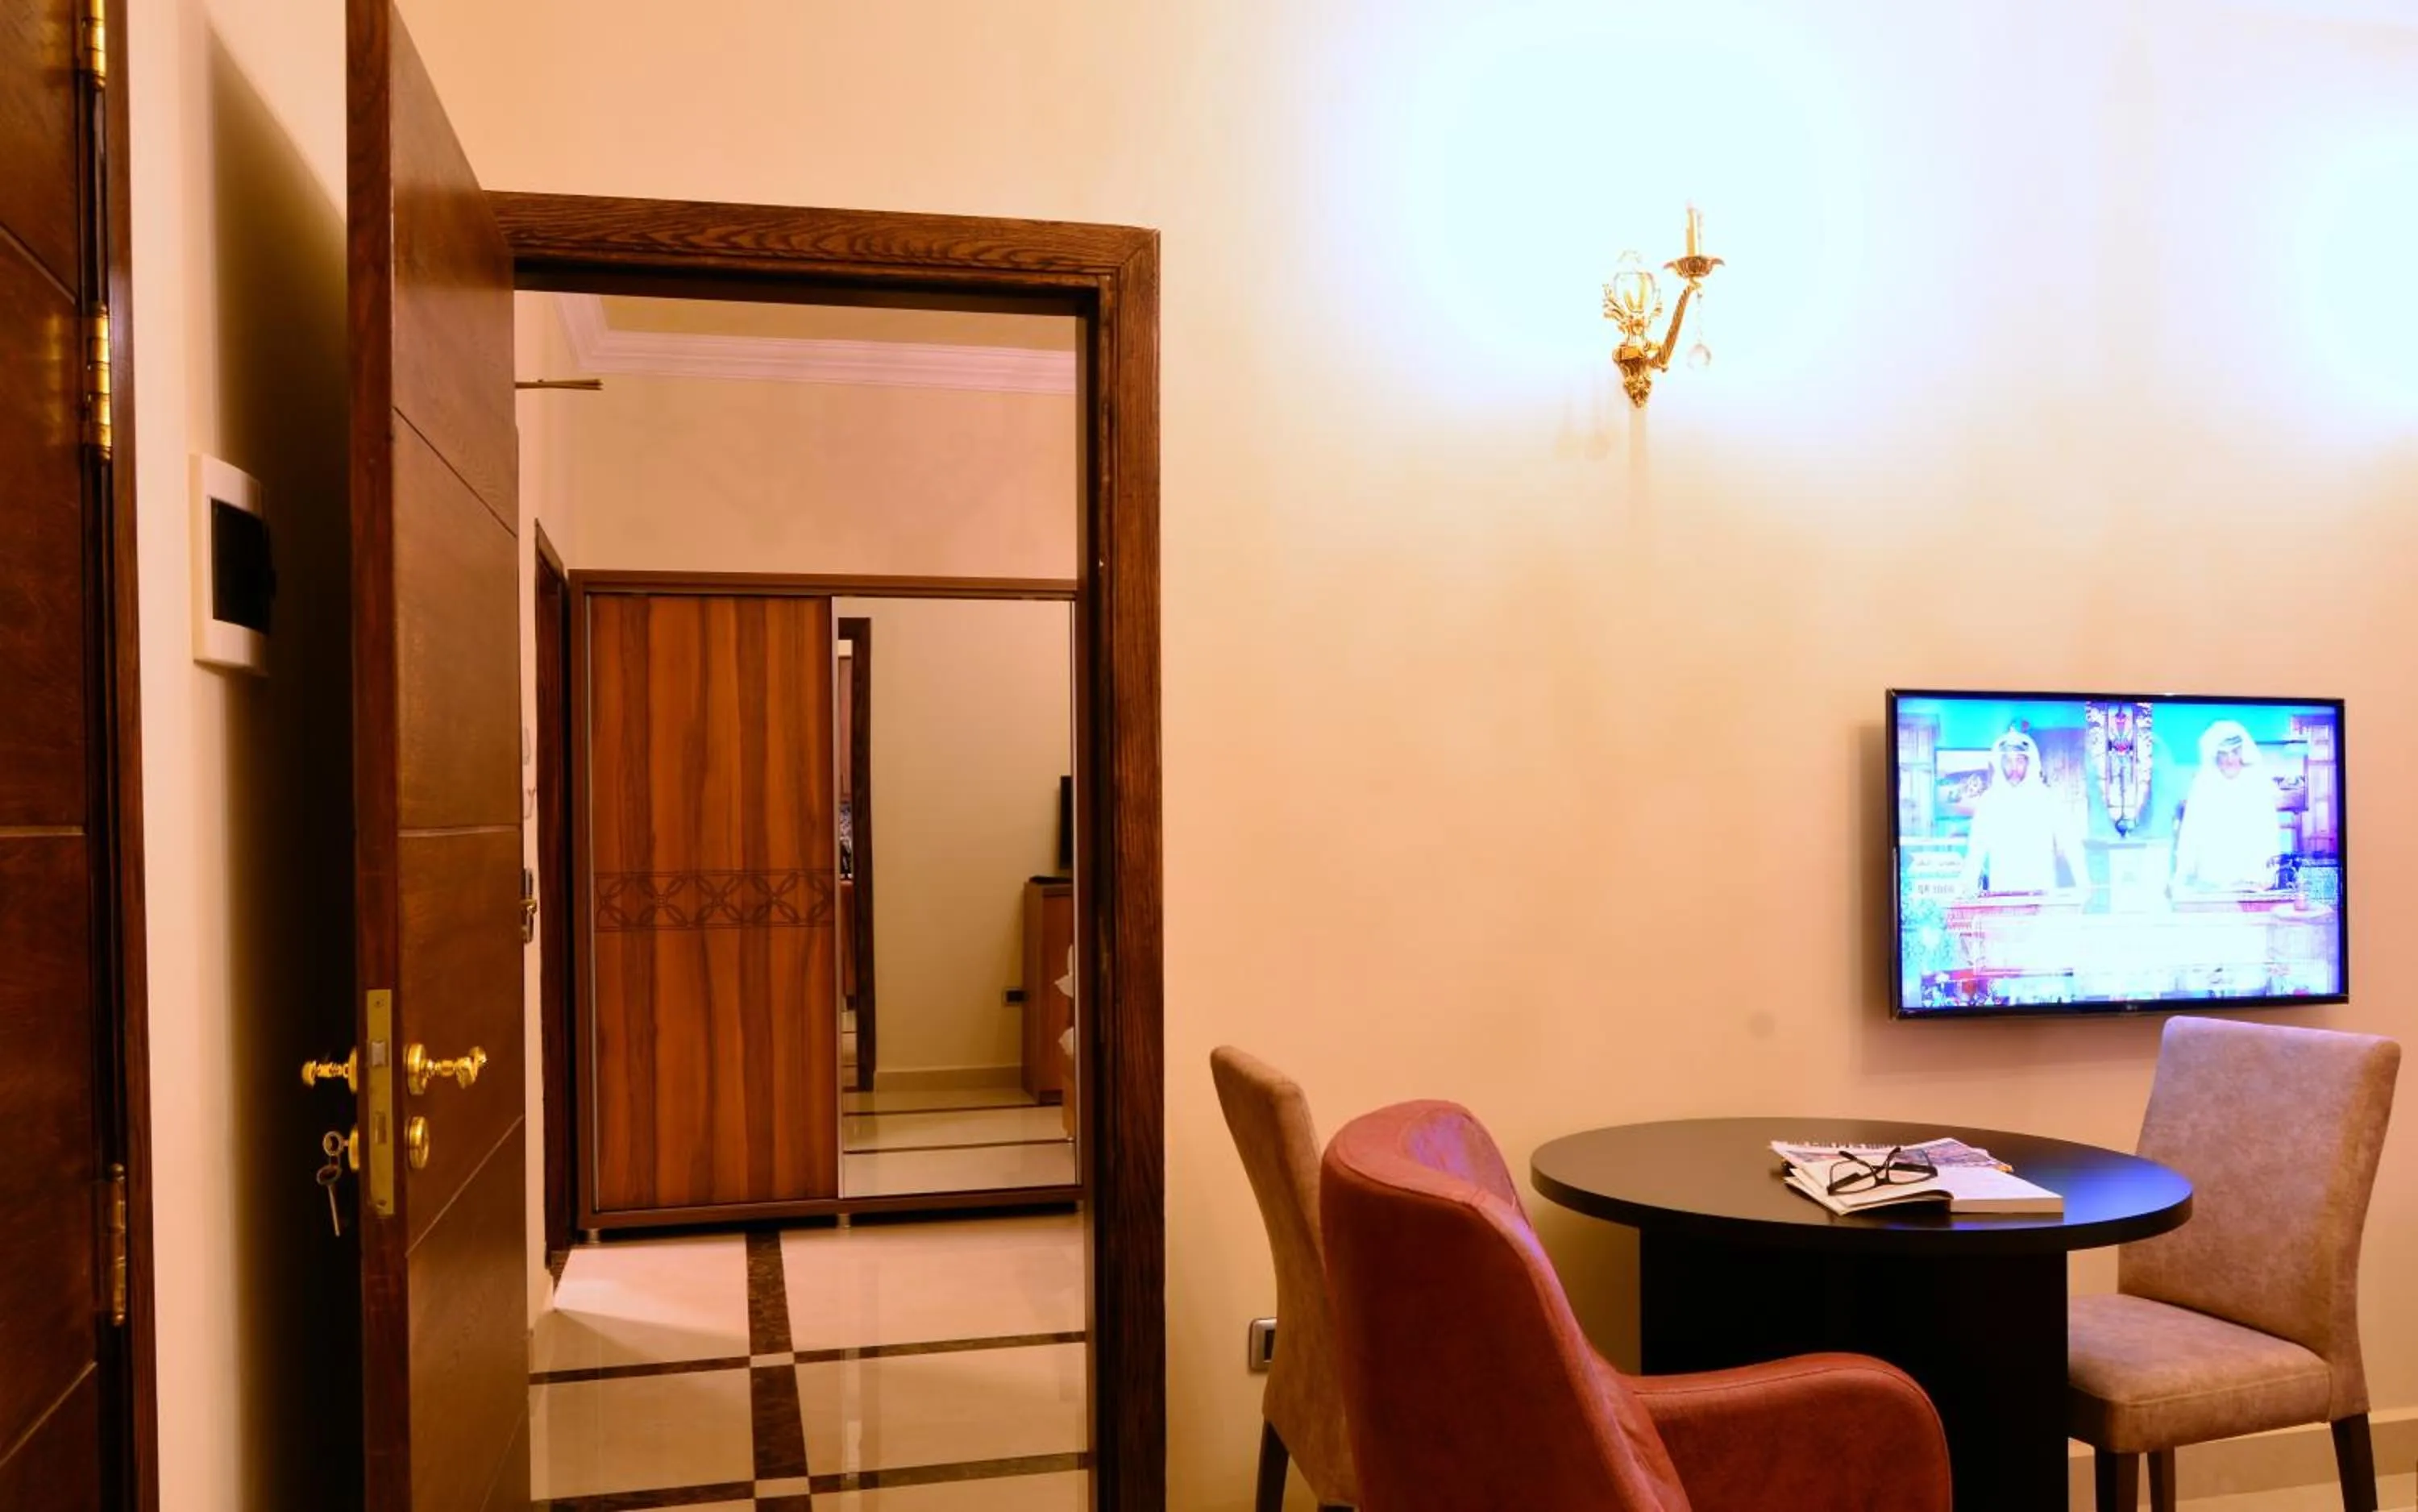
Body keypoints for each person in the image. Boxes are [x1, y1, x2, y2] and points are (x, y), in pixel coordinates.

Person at [1958, 727, 2084, 896]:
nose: (2014, 767)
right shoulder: (1989, 801)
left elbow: (2069, 841)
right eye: (2008, 761)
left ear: (2029, 763)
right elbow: (1976, 849)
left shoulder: (2046, 798)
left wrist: (2083, 882)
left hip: (2042, 894)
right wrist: (1967, 887)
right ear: (2000, 763)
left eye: (2020, 761)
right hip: (2003, 893)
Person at [2172, 721, 2281, 892]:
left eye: (2235, 752)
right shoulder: (2203, 783)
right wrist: (2183, 874)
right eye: (2224, 754)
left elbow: (2269, 833)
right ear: (2216, 756)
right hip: (2212, 881)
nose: (2230, 760)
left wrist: (2264, 875)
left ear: (2242, 753)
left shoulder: (2257, 782)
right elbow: (2190, 834)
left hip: (2251, 878)